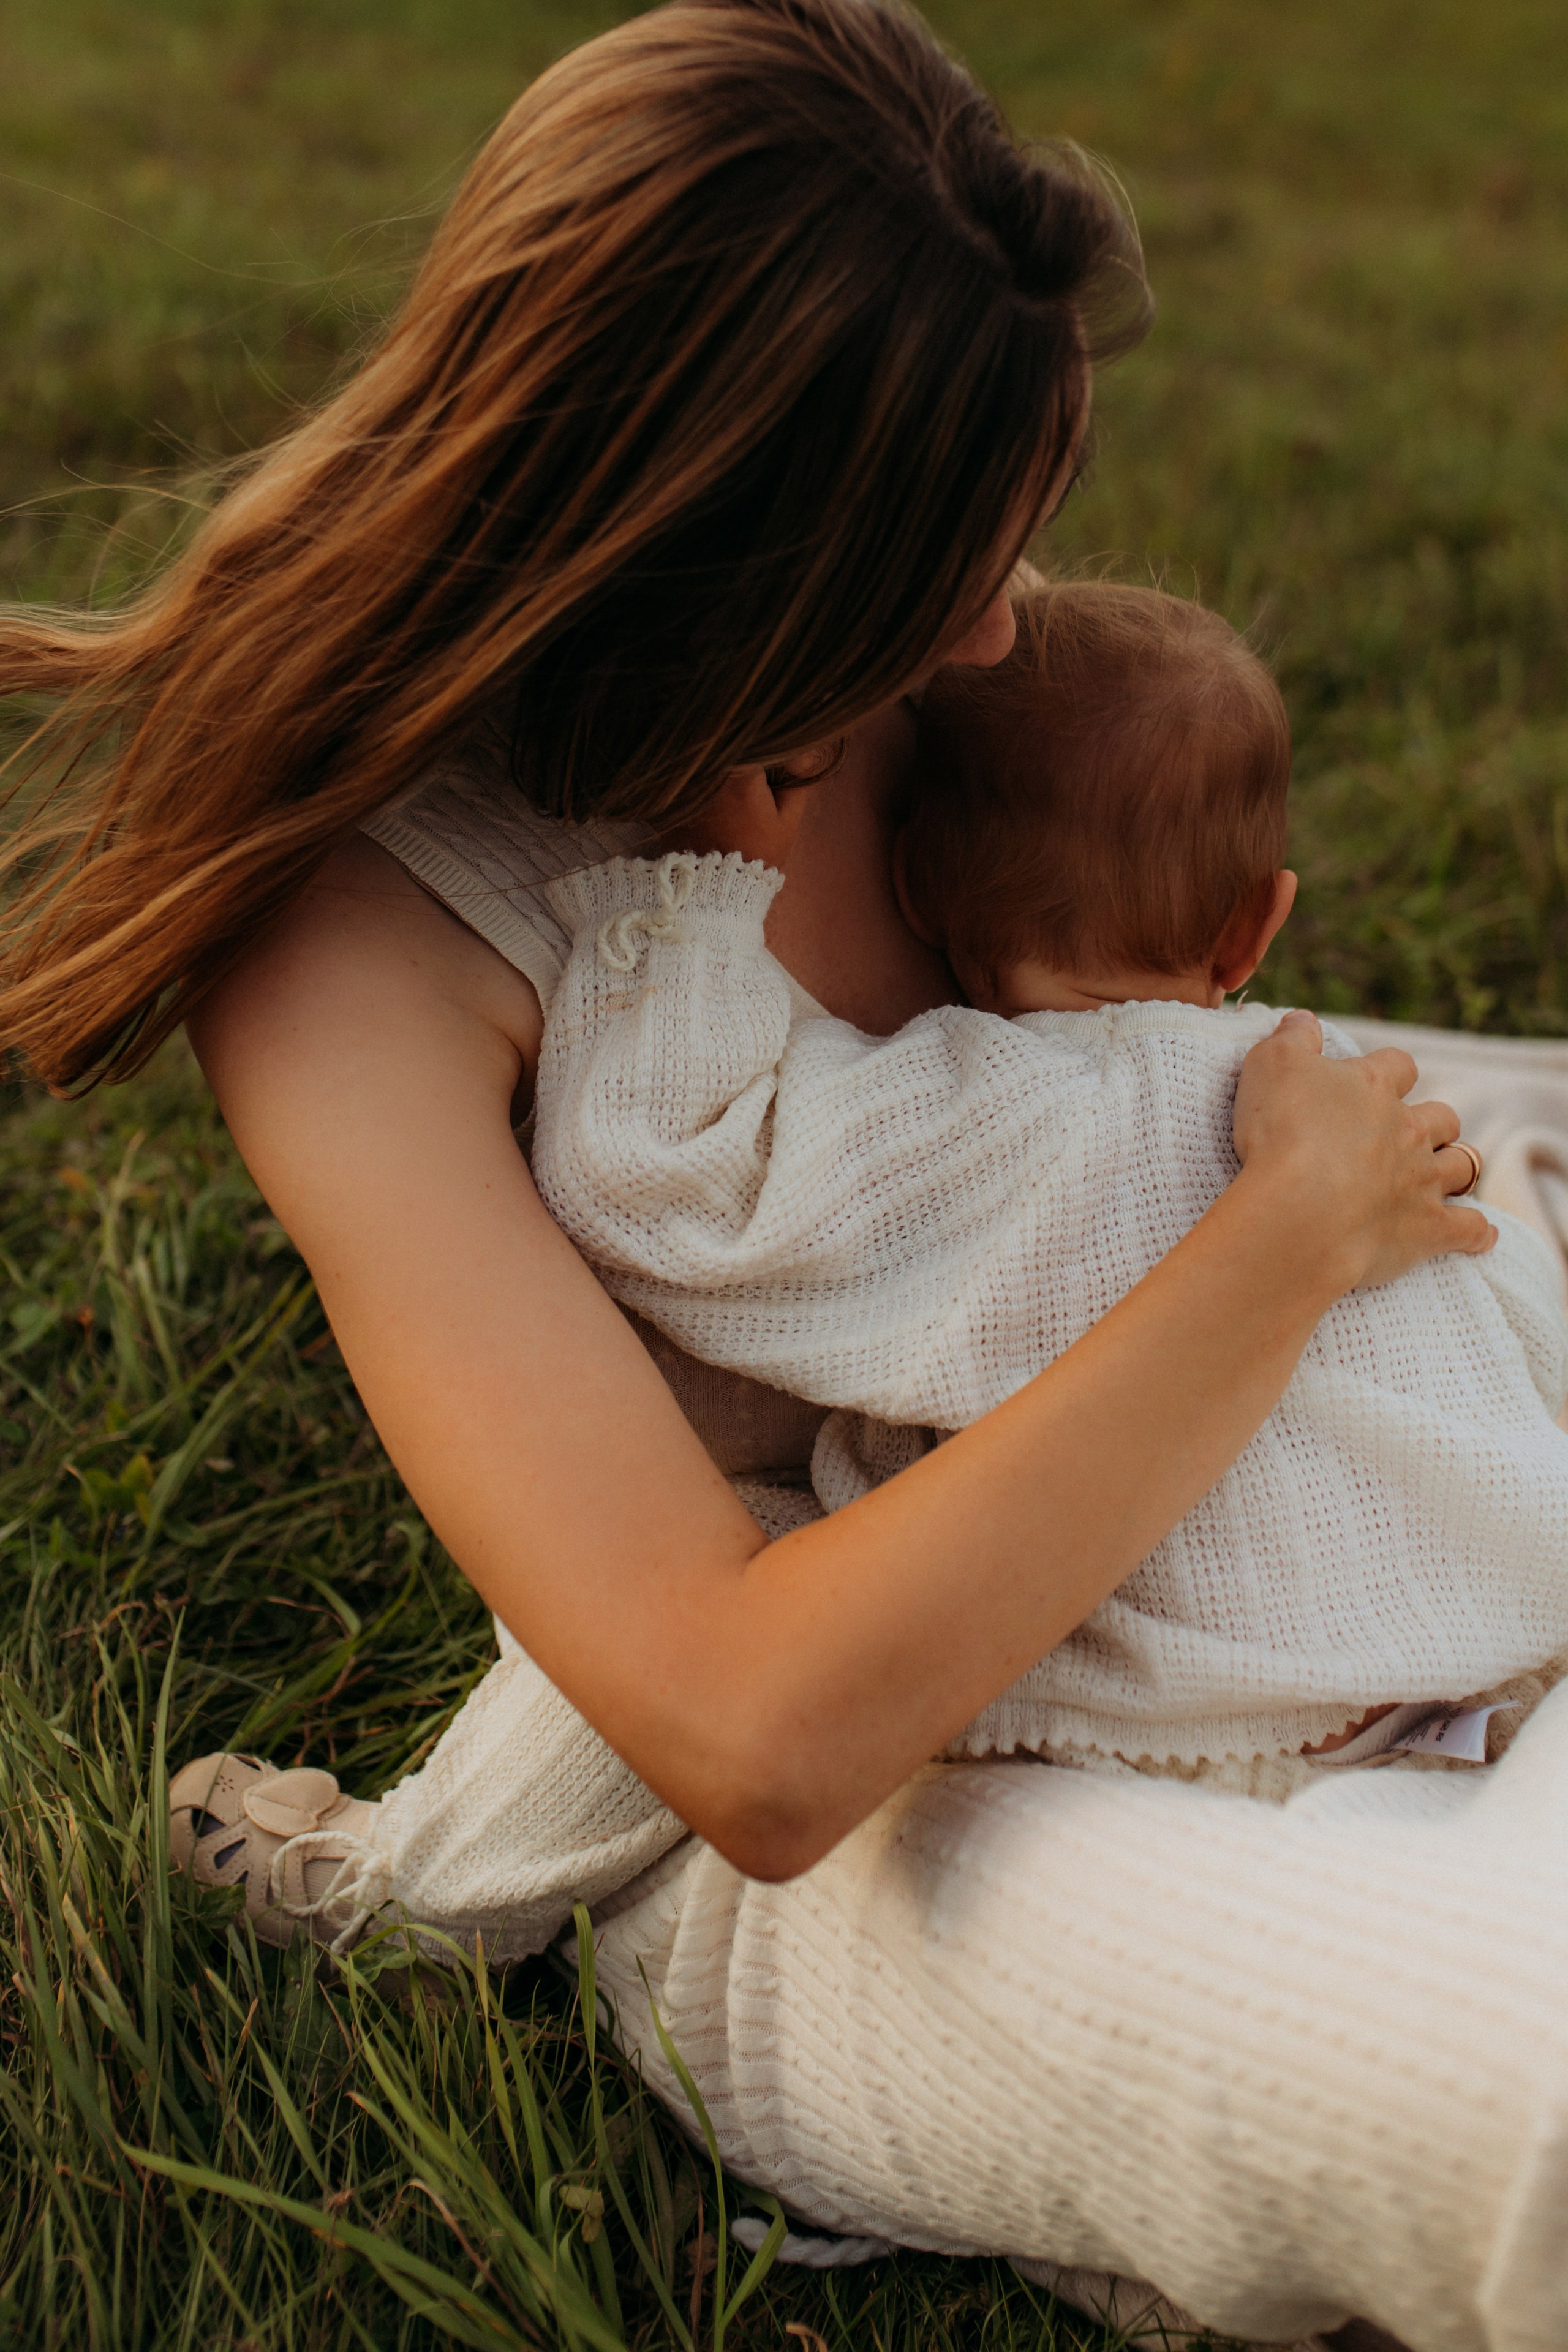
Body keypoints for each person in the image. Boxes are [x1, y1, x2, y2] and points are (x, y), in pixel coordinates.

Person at [4, 4, 1566, 2345]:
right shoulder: (368, 956)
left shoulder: (924, 675)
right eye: (942, 567)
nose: (996, 634)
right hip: (883, 1791)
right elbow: (749, 1731)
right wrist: (1276, 1244)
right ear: (696, 550)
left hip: (1323, 1543)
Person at [524, 578, 1568, 1790]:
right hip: (1476, 1614)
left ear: (911, 890)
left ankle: (409, 1878)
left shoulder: (960, 1110)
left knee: (689, 1594)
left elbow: (667, 1191)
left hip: (1228, 1692)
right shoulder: (1325, 1082)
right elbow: (1497, 1299)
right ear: (1253, 927)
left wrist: (692, 897)